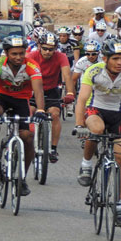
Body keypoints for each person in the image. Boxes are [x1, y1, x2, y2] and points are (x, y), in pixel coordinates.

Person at [74, 39, 121, 227]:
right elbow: (82, 99)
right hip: (95, 110)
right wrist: (79, 125)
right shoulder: (94, 71)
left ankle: (120, 205)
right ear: (105, 58)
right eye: (115, 58)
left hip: (120, 115)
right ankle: (86, 164)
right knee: (97, 130)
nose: (120, 62)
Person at [0, 36, 47, 197]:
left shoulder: (32, 65)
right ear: (6, 53)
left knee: (27, 137)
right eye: (14, 54)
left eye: (21, 53)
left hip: (21, 100)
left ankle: (22, 178)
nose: (18, 57)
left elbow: (39, 90)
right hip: (1, 97)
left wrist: (40, 110)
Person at [27, 32, 75, 163]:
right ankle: (28, 140)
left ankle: (53, 148)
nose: (48, 52)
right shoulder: (31, 56)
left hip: (51, 90)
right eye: (45, 48)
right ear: (39, 46)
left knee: (54, 114)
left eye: (51, 49)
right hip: (32, 90)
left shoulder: (61, 56)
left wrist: (70, 93)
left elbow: (67, 75)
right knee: (30, 111)